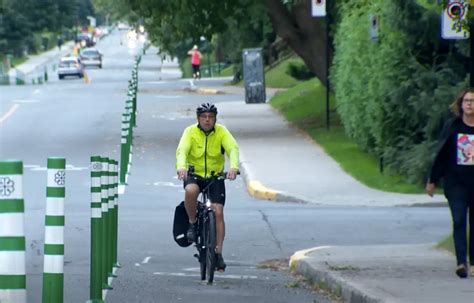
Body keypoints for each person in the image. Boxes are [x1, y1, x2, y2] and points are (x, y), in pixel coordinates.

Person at [176, 102, 239, 272]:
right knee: (191, 191)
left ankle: (218, 253)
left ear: (215, 119)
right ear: (198, 119)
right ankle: (192, 222)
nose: (207, 120)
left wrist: (233, 167)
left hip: (214, 176)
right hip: (194, 175)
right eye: (204, 117)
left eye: (211, 117)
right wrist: (181, 167)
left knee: (218, 211)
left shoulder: (221, 132)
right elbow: (182, 150)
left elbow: (232, 148)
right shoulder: (190, 132)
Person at [426, 88, 474, 278]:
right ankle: (461, 262)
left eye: (473, 101)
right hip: (456, 183)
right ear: (461, 105)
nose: (470, 104)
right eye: (467, 101)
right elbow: (442, 154)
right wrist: (432, 180)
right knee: (459, 220)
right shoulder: (453, 126)